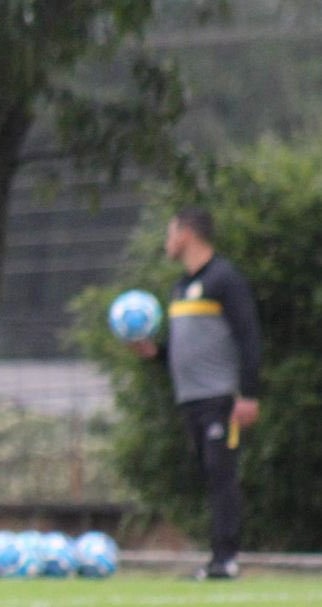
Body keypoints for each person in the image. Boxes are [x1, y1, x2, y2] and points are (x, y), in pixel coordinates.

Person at [129, 207, 262, 580]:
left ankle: (226, 560)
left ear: (186, 235)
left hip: (221, 397)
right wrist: (154, 354)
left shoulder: (224, 279)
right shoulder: (181, 288)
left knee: (222, 475)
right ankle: (216, 556)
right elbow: (181, 348)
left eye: (170, 234)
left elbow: (248, 337)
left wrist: (248, 394)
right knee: (208, 475)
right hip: (190, 400)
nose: (167, 243)